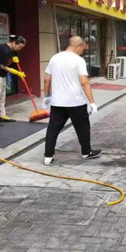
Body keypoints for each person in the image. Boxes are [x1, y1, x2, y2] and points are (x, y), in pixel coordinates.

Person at [42, 36, 101, 166]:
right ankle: (86, 152)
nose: (82, 52)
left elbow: (47, 80)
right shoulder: (78, 61)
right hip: (76, 102)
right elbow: (84, 83)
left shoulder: (55, 58)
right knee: (82, 128)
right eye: (83, 49)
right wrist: (92, 102)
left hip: (57, 103)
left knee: (53, 129)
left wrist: (47, 96)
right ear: (78, 46)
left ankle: (48, 156)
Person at [0, 35, 26, 126]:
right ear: (14, 43)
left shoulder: (12, 50)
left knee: (2, 96)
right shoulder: (5, 50)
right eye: (19, 47)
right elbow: (2, 66)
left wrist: (13, 60)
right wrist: (17, 73)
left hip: (2, 74)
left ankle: (2, 115)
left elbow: (8, 62)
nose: (19, 49)